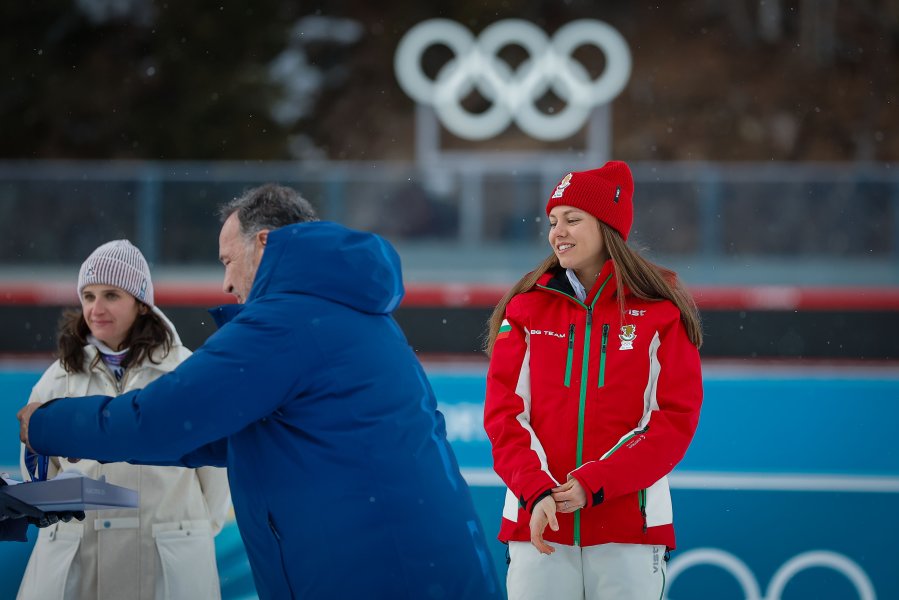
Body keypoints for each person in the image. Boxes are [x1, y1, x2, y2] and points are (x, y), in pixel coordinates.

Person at [19, 184, 502, 599]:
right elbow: (227, 436)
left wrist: (47, 424)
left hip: (378, 575)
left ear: (265, 243)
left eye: (229, 260)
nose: (226, 282)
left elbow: (163, 419)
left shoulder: (284, 324)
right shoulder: (353, 312)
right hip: (417, 567)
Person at [483, 161, 703, 599]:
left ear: (606, 226)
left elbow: (670, 422)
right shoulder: (526, 308)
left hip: (629, 532)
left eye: (572, 219)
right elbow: (504, 415)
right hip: (538, 526)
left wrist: (592, 483)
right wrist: (537, 490)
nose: (557, 231)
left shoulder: (660, 311)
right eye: (552, 221)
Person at [16, 240, 231, 600]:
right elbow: (35, 474)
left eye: (111, 295)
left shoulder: (187, 371)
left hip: (165, 561)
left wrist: (183, 532)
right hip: (77, 560)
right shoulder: (57, 377)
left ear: (142, 303)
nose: (95, 308)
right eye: (88, 295)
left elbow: (215, 478)